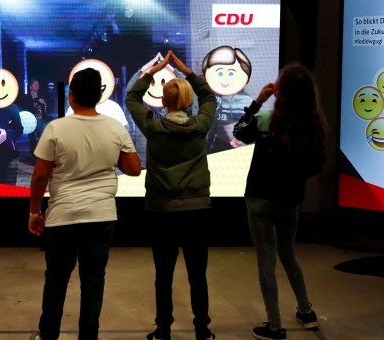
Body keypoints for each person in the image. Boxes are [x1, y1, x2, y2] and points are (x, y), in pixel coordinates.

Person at [28, 68, 141, 340]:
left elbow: (41, 175)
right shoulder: (115, 128)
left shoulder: (56, 128)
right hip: (101, 216)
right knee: (93, 283)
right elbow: (134, 168)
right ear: (100, 95)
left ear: (71, 96)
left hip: (62, 217)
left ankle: (48, 335)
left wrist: (34, 212)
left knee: (56, 282)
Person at [125, 50, 217, 340]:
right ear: (189, 101)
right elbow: (210, 97)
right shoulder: (200, 126)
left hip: (161, 212)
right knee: (197, 276)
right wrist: (185, 71)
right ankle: (202, 330)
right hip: (197, 211)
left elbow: (131, 99)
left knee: (163, 277)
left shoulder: (153, 128)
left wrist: (154, 70)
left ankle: (163, 330)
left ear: (163, 101)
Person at [233, 63, 327, 340]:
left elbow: (239, 131)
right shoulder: (313, 126)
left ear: (281, 92)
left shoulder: (265, 120)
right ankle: (306, 312)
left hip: (259, 200)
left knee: (266, 260)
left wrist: (258, 101)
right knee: (288, 254)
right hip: (290, 201)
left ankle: (274, 326)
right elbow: (314, 167)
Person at [201, 46, 253, 154]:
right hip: (220, 148)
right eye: (220, 73)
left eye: (231, 73)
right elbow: (211, 132)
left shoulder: (247, 101)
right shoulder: (215, 102)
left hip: (242, 150)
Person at [18, 78, 50, 153]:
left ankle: (41, 153)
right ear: (31, 86)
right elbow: (23, 108)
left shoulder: (41, 96)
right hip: (30, 121)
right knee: (32, 138)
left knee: (42, 137)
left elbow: (48, 108)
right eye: (35, 84)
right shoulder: (26, 98)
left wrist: (44, 103)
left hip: (40, 120)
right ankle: (33, 155)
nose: (37, 86)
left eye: (38, 84)